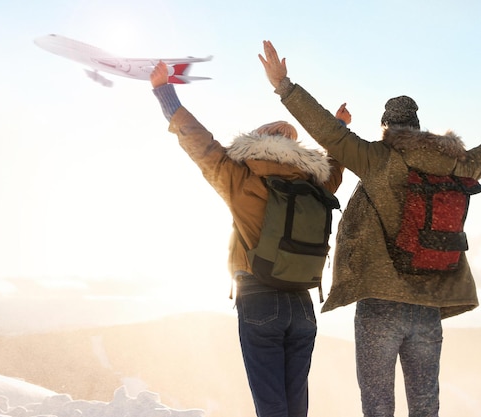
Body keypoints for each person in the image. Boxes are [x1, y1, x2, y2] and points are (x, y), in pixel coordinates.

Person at [259, 40, 481, 417]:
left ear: (386, 128)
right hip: (429, 305)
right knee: (426, 406)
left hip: (379, 303)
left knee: (378, 405)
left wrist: (284, 86)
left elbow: (329, 134)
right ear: (417, 126)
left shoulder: (379, 159)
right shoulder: (456, 164)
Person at [149, 60, 347, 417]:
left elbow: (199, 143)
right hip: (303, 303)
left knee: (271, 404)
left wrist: (165, 93)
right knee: (295, 401)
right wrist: (340, 127)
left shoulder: (241, 176)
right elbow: (336, 164)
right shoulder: (316, 181)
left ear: (256, 141)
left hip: (259, 296)